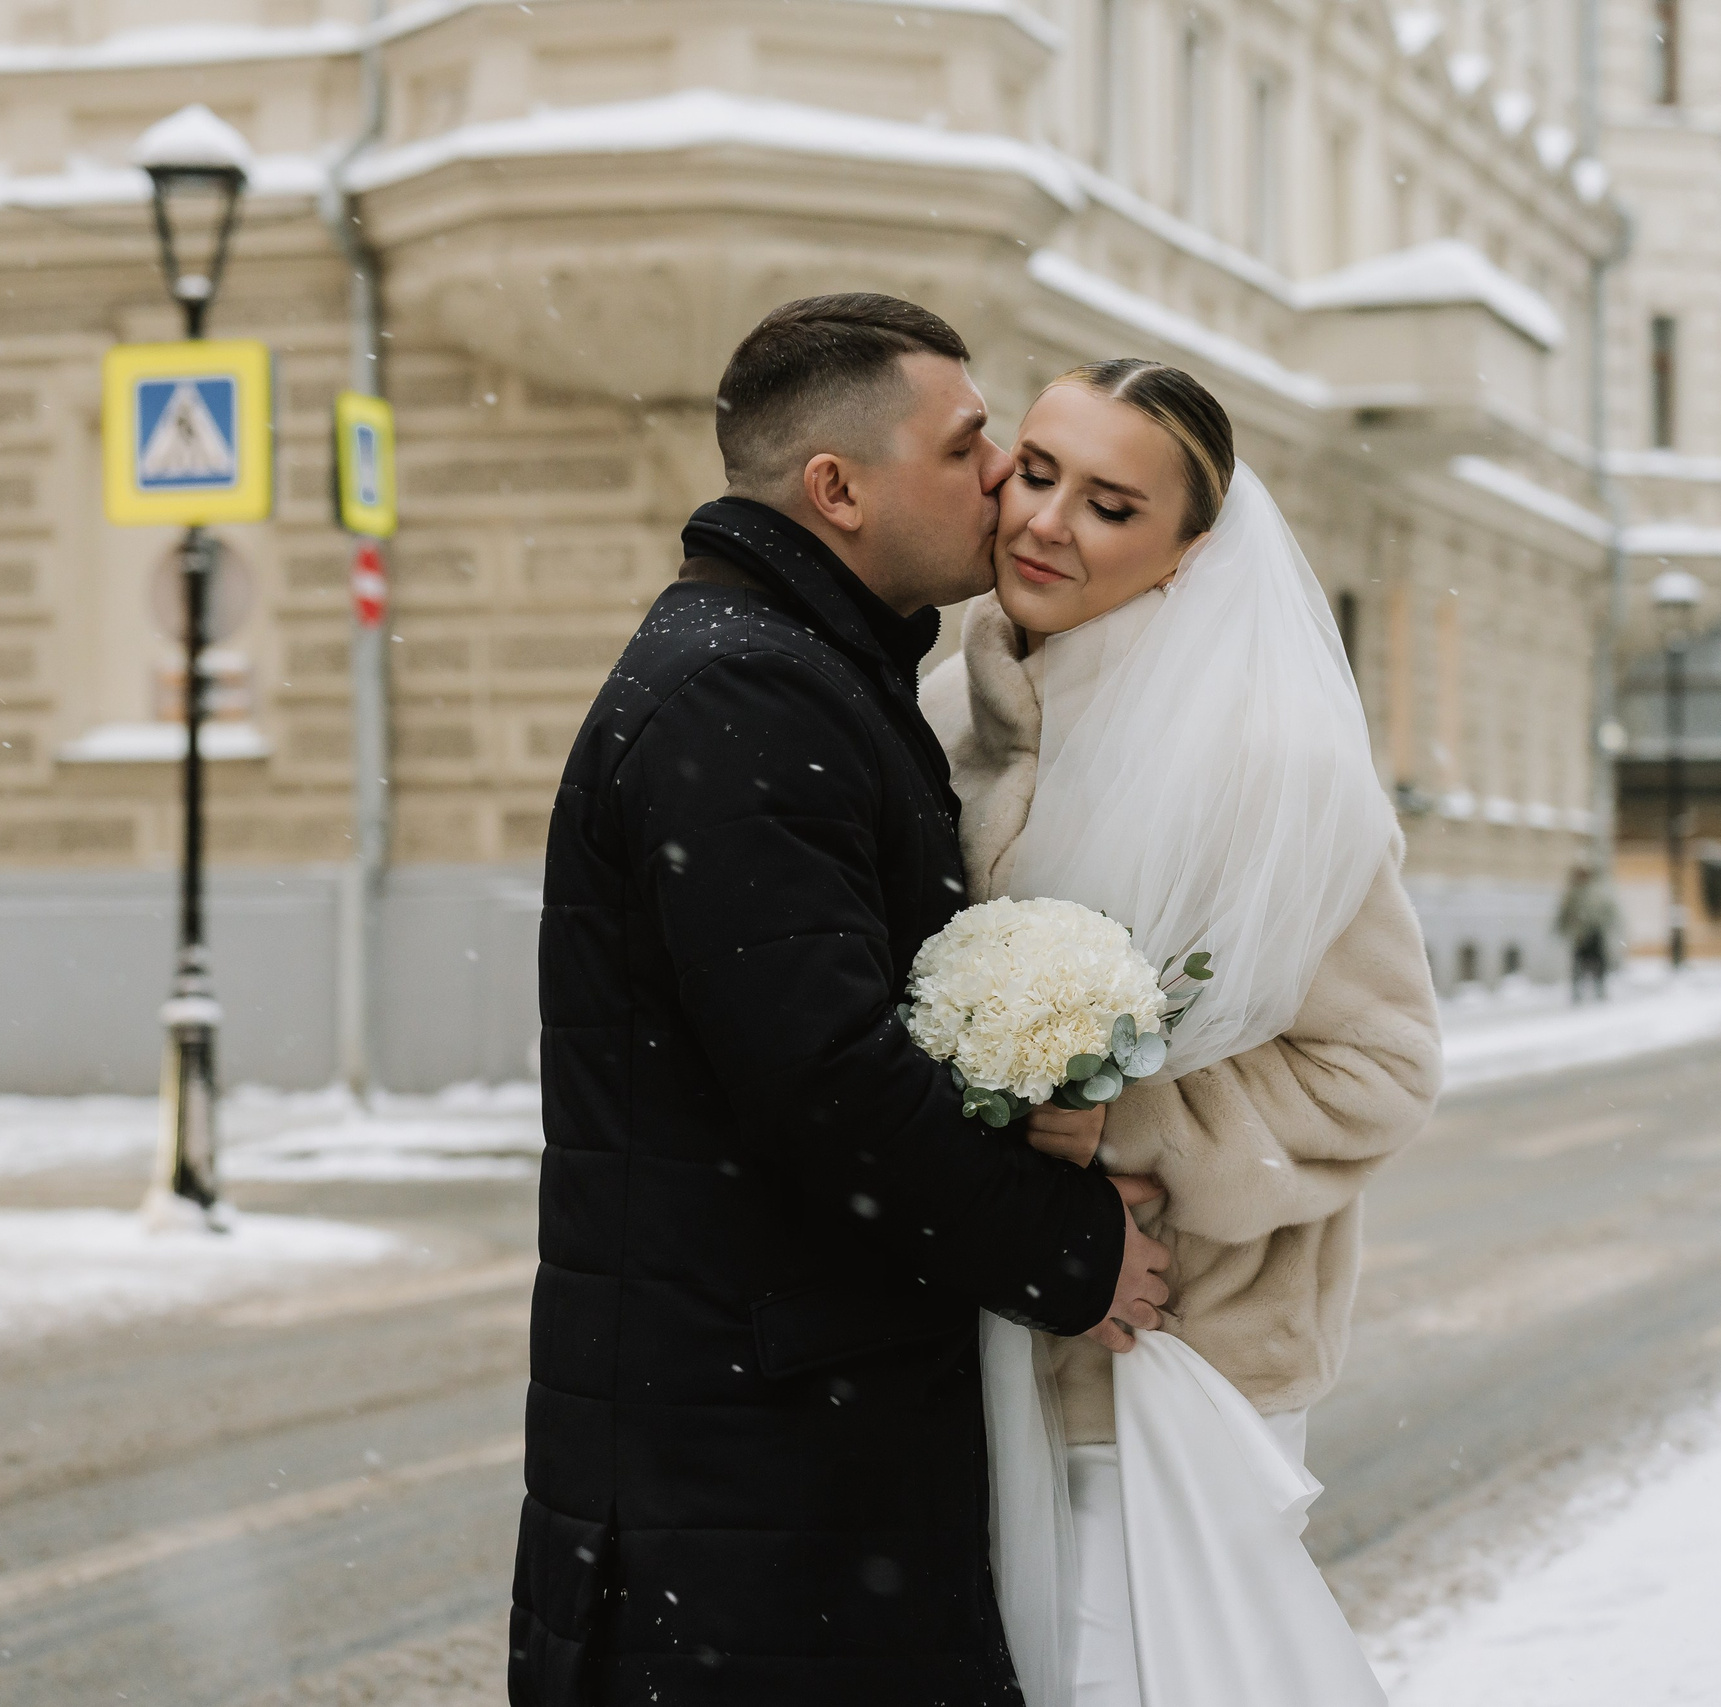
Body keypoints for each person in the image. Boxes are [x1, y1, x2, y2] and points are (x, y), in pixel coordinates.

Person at [511, 298, 1174, 1707]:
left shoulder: (801, 673)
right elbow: (832, 1085)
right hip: (752, 1494)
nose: (1002, 472)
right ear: (838, 489)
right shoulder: (744, 693)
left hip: (778, 1468)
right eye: (968, 441)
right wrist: (1069, 1249)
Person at [919, 359, 1443, 1706]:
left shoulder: (1271, 759)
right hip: (968, 1347)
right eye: (1036, 472)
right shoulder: (939, 716)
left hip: (1178, 1351)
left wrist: (1128, 1116)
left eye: (1108, 505)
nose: (1045, 522)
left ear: (1188, 552)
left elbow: (1380, 1066)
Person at [1555, 860, 1622, 1002]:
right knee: (1579, 964)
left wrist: (1606, 924)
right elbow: (1564, 913)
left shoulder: (1596, 892)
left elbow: (1609, 911)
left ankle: (1599, 988)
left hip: (1595, 932)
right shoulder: (1573, 893)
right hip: (1580, 935)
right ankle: (1578, 991)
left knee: (1598, 962)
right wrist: (1562, 928)